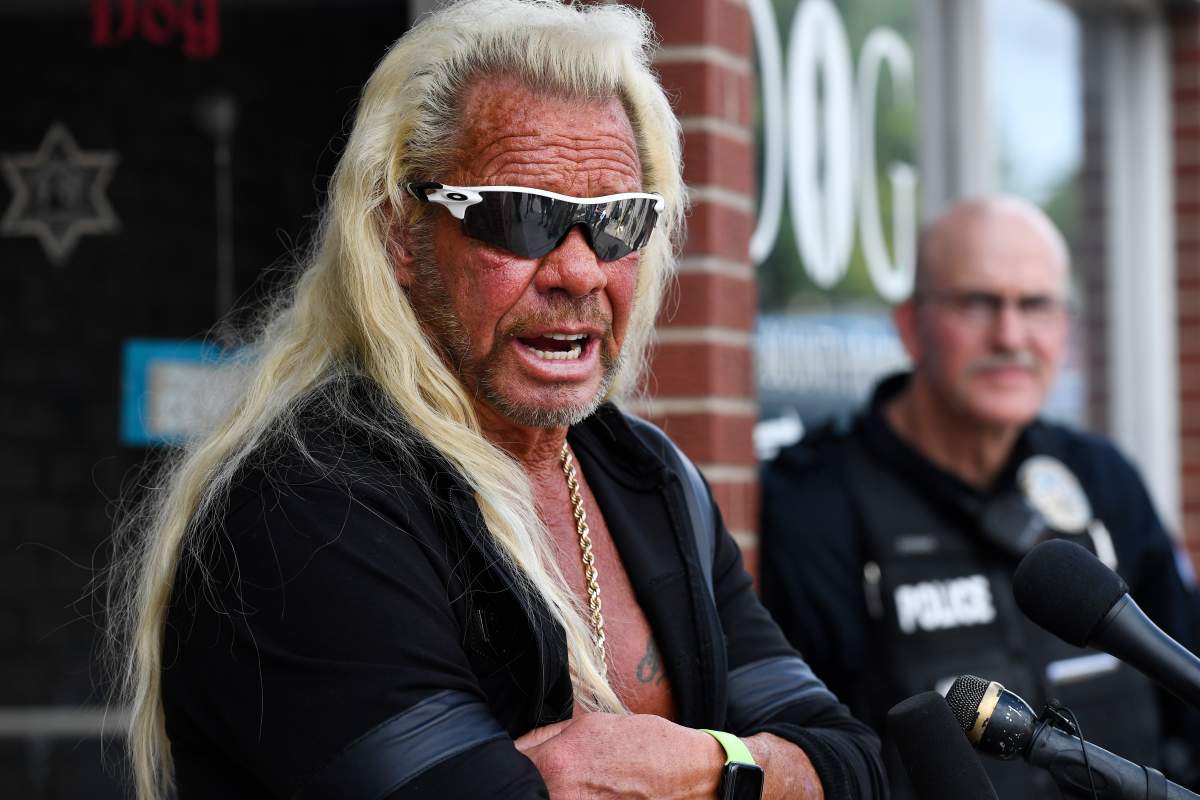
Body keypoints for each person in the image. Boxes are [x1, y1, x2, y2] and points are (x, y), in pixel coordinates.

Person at [106, 2, 886, 798]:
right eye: (522, 216)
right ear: (399, 234)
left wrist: (709, 768)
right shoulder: (306, 507)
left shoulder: (648, 478)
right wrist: (760, 769)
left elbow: (854, 761)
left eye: (617, 221)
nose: (579, 272)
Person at [760, 196, 1200, 797]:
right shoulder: (815, 502)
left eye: (1036, 305)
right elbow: (809, 752)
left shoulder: (1104, 478)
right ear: (910, 326)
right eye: (977, 303)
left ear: (1065, 328)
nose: (1010, 335)